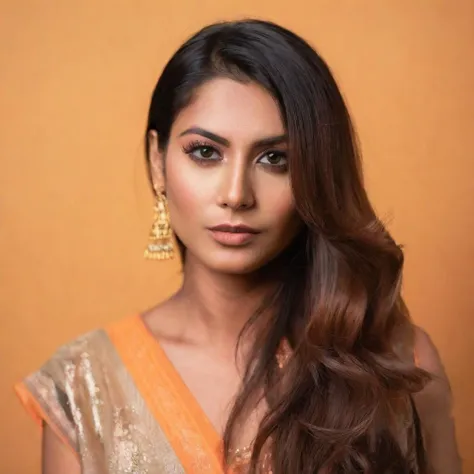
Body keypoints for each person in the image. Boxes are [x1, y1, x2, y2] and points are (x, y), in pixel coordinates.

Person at [15, 19, 461, 474]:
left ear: (316, 175)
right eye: (206, 152)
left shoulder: (394, 364)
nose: (236, 194)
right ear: (157, 161)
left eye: (275, 159)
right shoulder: (84, 386)